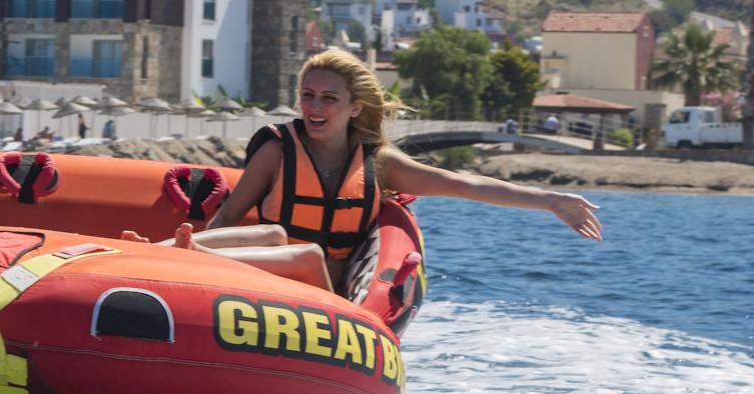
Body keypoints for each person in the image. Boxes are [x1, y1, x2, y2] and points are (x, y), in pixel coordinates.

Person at [196, 48, 601, 279]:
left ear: (355, 108)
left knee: (309, 256)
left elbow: (464, 184)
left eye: (328, 98)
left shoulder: (379, 164)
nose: (314, 107)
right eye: (308, 95)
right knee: (271, 237)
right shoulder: (277, 150)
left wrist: (550, 200)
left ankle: (184, 253)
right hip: (263, 287)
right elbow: (230, 213)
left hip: (325, 300)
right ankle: (174, 254)